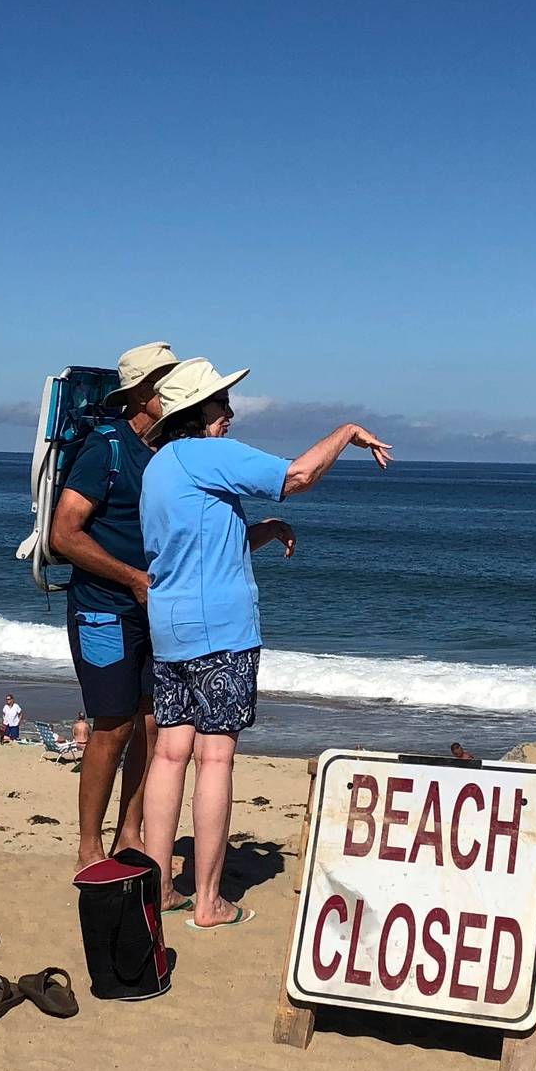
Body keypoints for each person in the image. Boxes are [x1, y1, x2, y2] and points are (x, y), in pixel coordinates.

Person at [136, 358, 391, 929]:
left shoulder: (159, 467)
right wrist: (347, 432)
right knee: (216, 756)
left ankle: (158, 892)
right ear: (195, 414)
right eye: (220, 404)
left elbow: (193, 546)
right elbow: (297, 476)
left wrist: (263, 531)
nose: (229, 413)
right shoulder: (209, 454)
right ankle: (207, 901)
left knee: (169, 755)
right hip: (220, 632)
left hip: (171, 626)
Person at [48, 341, 178, 866]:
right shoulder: (108, 446)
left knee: (151, 723)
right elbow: (64, 532)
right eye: (168, 384)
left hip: (152, 607)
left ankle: (130, 834)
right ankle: (88, 847)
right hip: (102, 607)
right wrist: (131, 578)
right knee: (113, 723)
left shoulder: (167, 451)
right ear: (144, 393)